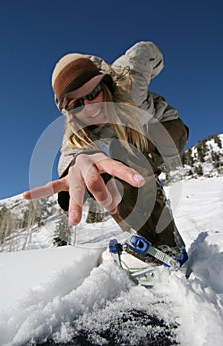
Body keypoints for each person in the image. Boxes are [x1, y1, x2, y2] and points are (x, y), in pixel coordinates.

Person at [23, 41, 189, 262]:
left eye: (93, 93)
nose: (90, 108)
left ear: (104, 84)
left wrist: (153, 70)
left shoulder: (128, 78)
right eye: (77, 105)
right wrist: (77, 166)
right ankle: (144, 240)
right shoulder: (76, 131)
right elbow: (70, 157)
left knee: (124, 152)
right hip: (133, 147)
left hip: (168, 129)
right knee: (108, 175)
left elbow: (147, 49)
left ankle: (170, 247)